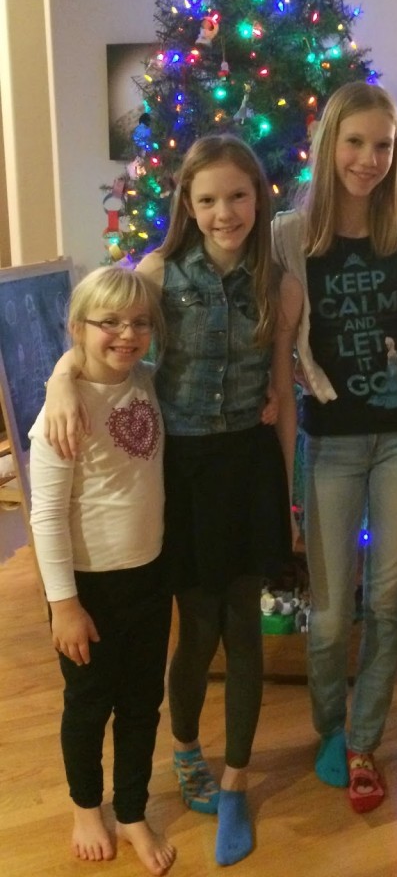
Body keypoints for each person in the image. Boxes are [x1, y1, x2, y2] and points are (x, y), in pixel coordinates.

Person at [44, 135, 302, 868]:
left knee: (245, 629)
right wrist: (61, 380)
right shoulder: (157, 273)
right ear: (187, 202)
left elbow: (282, 395)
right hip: (180, 471)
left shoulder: (280, 284)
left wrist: (284, 498)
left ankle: (237, 779)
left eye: (238, 196)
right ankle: (186, 749)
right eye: (208, 199)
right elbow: (101, 335)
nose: (225, 212)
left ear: (259, 197)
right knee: (196, 628)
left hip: (249, 469)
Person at [272, 80, 397, 812]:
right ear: (328, 143)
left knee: (389, 601)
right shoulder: (290, 235)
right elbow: (194, 255)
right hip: (331, 443)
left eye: (383, 145)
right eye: (355, 142)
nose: (369, 159)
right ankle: (330, 728)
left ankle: (365, 736)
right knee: (333, 612)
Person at [29, 266, 176, 876]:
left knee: (142, 703)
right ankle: (86, 806)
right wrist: (64, 604)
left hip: (150, 574)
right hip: (88, 587)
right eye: (109, 322)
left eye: (140, 322)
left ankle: (133, 808)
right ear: (77, 328)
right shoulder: (61, 414)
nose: (127, 334)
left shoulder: (146, 380)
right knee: (89, 705)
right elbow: (45, 516)